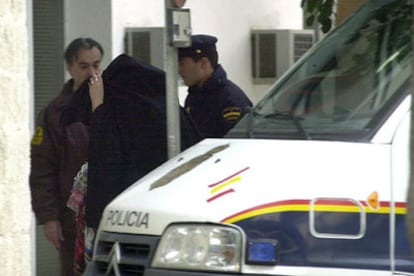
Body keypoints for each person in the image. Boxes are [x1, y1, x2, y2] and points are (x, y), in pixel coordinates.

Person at [29, 37, 104, 276]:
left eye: (97, 65)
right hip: (73, 219)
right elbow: (43, 169)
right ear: (70, 68)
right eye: (84, 66)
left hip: (107, 214)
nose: (92, 72)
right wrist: (49, 218)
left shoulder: (112, 107)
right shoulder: (55, 114)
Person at [178, 34, 253, 138]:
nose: (179, 70)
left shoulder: (230, 100)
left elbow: (233, 143)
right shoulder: (195, 96)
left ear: (203, 63)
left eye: (182, 64)